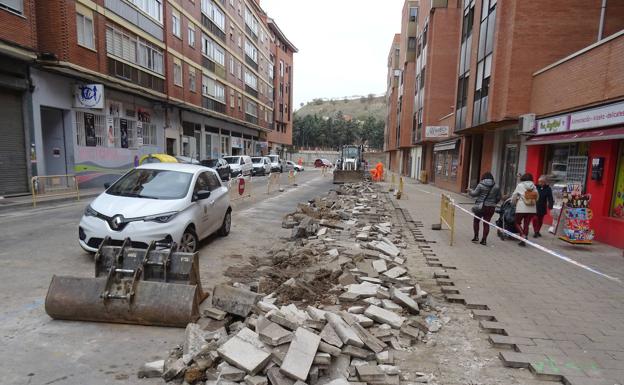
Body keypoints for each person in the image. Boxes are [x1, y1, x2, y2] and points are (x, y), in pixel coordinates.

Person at [468, 172, 501, 245]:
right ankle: (484, 240)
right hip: (491, 207)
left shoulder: (480, 185)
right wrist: (493, 202)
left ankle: (476, 237)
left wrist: (470, 191)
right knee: (486, 223)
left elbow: (474, 194)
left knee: (476, 221)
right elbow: (499, 197)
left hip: (480, 206)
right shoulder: (496, 186)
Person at [512, 173, 538, 246]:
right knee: (526, 224)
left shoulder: (520, 185)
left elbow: (514, 195)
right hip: (532, 209)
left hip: (521, 207)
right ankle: (524, 238)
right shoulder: (534, 186)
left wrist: (513, 202)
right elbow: (537, 197)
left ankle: (523, 235)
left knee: (517, 222)